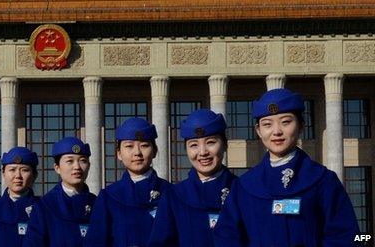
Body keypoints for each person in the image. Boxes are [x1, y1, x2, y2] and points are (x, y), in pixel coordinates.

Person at [213, 88, 361, 246]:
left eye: (286, 122)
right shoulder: (244, 186)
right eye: (267, 124)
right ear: (258, 131)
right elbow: (226, 237)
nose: (276, 131)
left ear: (301, 126)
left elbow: (346, 237)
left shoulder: (323, 181)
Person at [148, 109, 237, 246]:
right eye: (194, 145)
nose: (202, 152)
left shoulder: (241, 190)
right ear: (186, 150)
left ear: (225, 144)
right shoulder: (174, 196)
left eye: (211, 142)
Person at [84, 117, 171, 247]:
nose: (137, 153)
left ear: (155, 151)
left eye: (144, 145)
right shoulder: (108, 197)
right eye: (129, 146)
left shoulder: (171, 193)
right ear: (118, 154)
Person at [24, 137, 97, 247]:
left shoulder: (98, 204)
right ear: (57, 168)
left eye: (83, 161)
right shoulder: (44, 206)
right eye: (69, 161)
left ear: (89, 165)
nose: (77, 167)